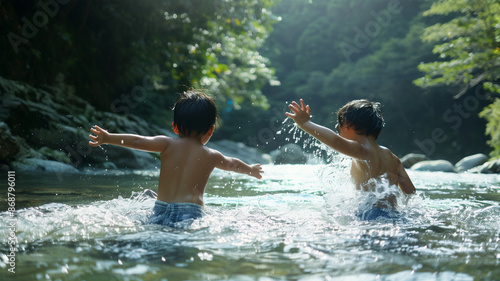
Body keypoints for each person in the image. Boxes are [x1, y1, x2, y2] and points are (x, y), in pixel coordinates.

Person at [88, 90, 264, 227]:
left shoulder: (166, 144)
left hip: (160, 209)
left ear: (175, 127)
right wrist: (251, 169)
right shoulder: (211, 155)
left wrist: (108, 138)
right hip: (190, 214)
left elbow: (137, 141)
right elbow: (232, 164)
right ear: (210, 130)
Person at [286, 99, 415, 220]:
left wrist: (305, 124)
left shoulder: (362, 150)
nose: (338, 130)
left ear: (348, 125)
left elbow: (335, 141)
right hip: (394, 215)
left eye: (339, 126)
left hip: (371, 215)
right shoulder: (392, 157)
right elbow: (410, 192)